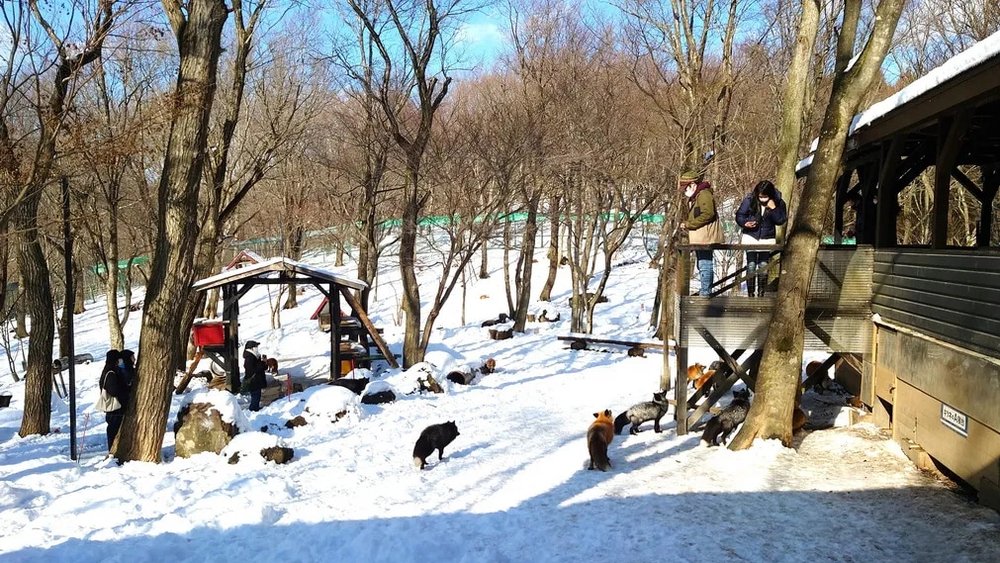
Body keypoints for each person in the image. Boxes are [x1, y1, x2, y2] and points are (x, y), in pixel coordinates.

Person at [735, 180, 787, 296]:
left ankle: (761, 292)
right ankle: (750, 293)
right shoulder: (749, 200)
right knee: (751, 264)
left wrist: (773, 209)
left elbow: (781, 220)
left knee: (763, 265)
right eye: (760, 197)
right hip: (750, 236)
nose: (762, 199)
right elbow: (739, 215)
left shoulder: (779, 202)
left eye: (765, 197)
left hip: (767, 237)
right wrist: (745, 223)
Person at [680, 170, 723, 296]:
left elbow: (708, 214)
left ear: (693, 184)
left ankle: (705, 293)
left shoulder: (703, 194)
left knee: (705, 264)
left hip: (706, 236)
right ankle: (705, 292)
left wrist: (689, 224)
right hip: (701, 236)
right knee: (702, 264)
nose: (684, 190)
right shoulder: (698, 195)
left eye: (685, 187)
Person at [99, 349, 129, 450]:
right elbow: (113, 390)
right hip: (115, 408)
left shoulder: (109, 371)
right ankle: (113, 451)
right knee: (114, 431)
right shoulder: (111, 373)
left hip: (115, 409)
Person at [242, 340, 267, 412]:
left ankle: (255, 408)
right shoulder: (249, 357)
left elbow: (260, 367)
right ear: (251, 348)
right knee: (255, 396)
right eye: (256, 346)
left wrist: (263, 363)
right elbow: (250, 369)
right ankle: (252, 410)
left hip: (257, 380)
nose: (257, 348)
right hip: (253, 380)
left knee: (257, 395)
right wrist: (261, 364)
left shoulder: (255, 355)